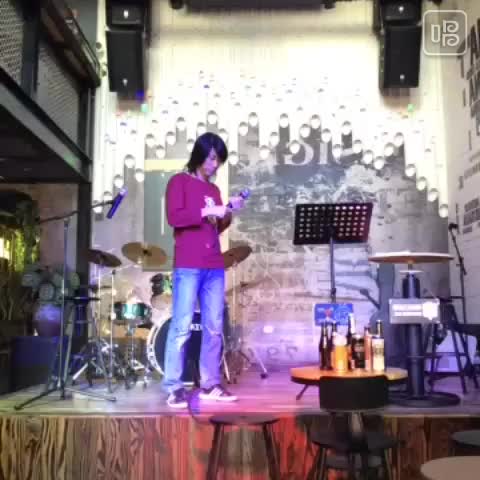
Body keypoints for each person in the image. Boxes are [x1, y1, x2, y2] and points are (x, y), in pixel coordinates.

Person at [163, 132, 245, 408]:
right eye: (211, 158)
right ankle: (174, 387)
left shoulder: (214, 190)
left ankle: (210, 383)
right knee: (181, 326)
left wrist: (228, 211)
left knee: (213, 328)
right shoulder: (179, 181)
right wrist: (205, 211)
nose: (214, 165)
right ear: (199, 155)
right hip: (188, 264)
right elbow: (175, 217)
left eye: (218, 160)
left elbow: (214, 227)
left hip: (214, 265)